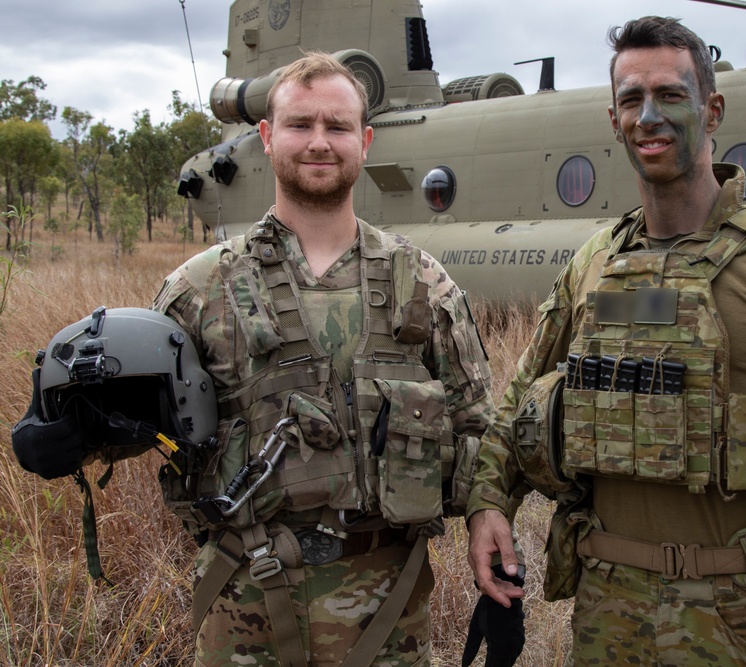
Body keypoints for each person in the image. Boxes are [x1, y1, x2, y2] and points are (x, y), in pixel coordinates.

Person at [465, 16, 746, 667]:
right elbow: (516, 399)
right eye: (631, 99)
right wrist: (489, 500)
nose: (648, 116)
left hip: (737, 611)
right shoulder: (593, 266)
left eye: (670, 95)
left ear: (712, 109)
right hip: (607, 612)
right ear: (613, 119)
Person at [151, 53, 494, 666]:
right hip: (243, 608)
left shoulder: (424, 283)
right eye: (299, 124)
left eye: (337, 127)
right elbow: (153, 434)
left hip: (387, 613)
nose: (319, 143)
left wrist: (488, 518)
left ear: (364, 141)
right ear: (266, 136)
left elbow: (479, 429)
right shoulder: (199, 289)